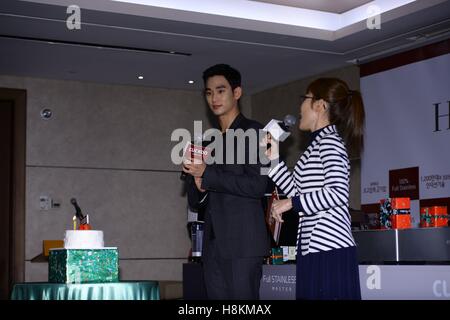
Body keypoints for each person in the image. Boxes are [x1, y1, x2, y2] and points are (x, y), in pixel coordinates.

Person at [264, 77, 364, 300]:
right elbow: (297, 192)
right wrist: (273, 160)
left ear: (320, 105)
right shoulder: (316, 146)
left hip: (328, 249)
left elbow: (337, 193)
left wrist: (290, 203)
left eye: (304, 99)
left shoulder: (330, 143)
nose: (300, 107)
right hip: (313, 247)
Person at [183, 64, 270, 300]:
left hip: (243, 244)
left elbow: (257, 186)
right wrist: (199, 183)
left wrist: (208, 174)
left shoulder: (256, 132)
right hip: (212, 247)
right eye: (209, 92)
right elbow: (195, 200)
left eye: (221, 90)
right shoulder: (207, 141)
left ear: (237, 93)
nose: (214, 98)